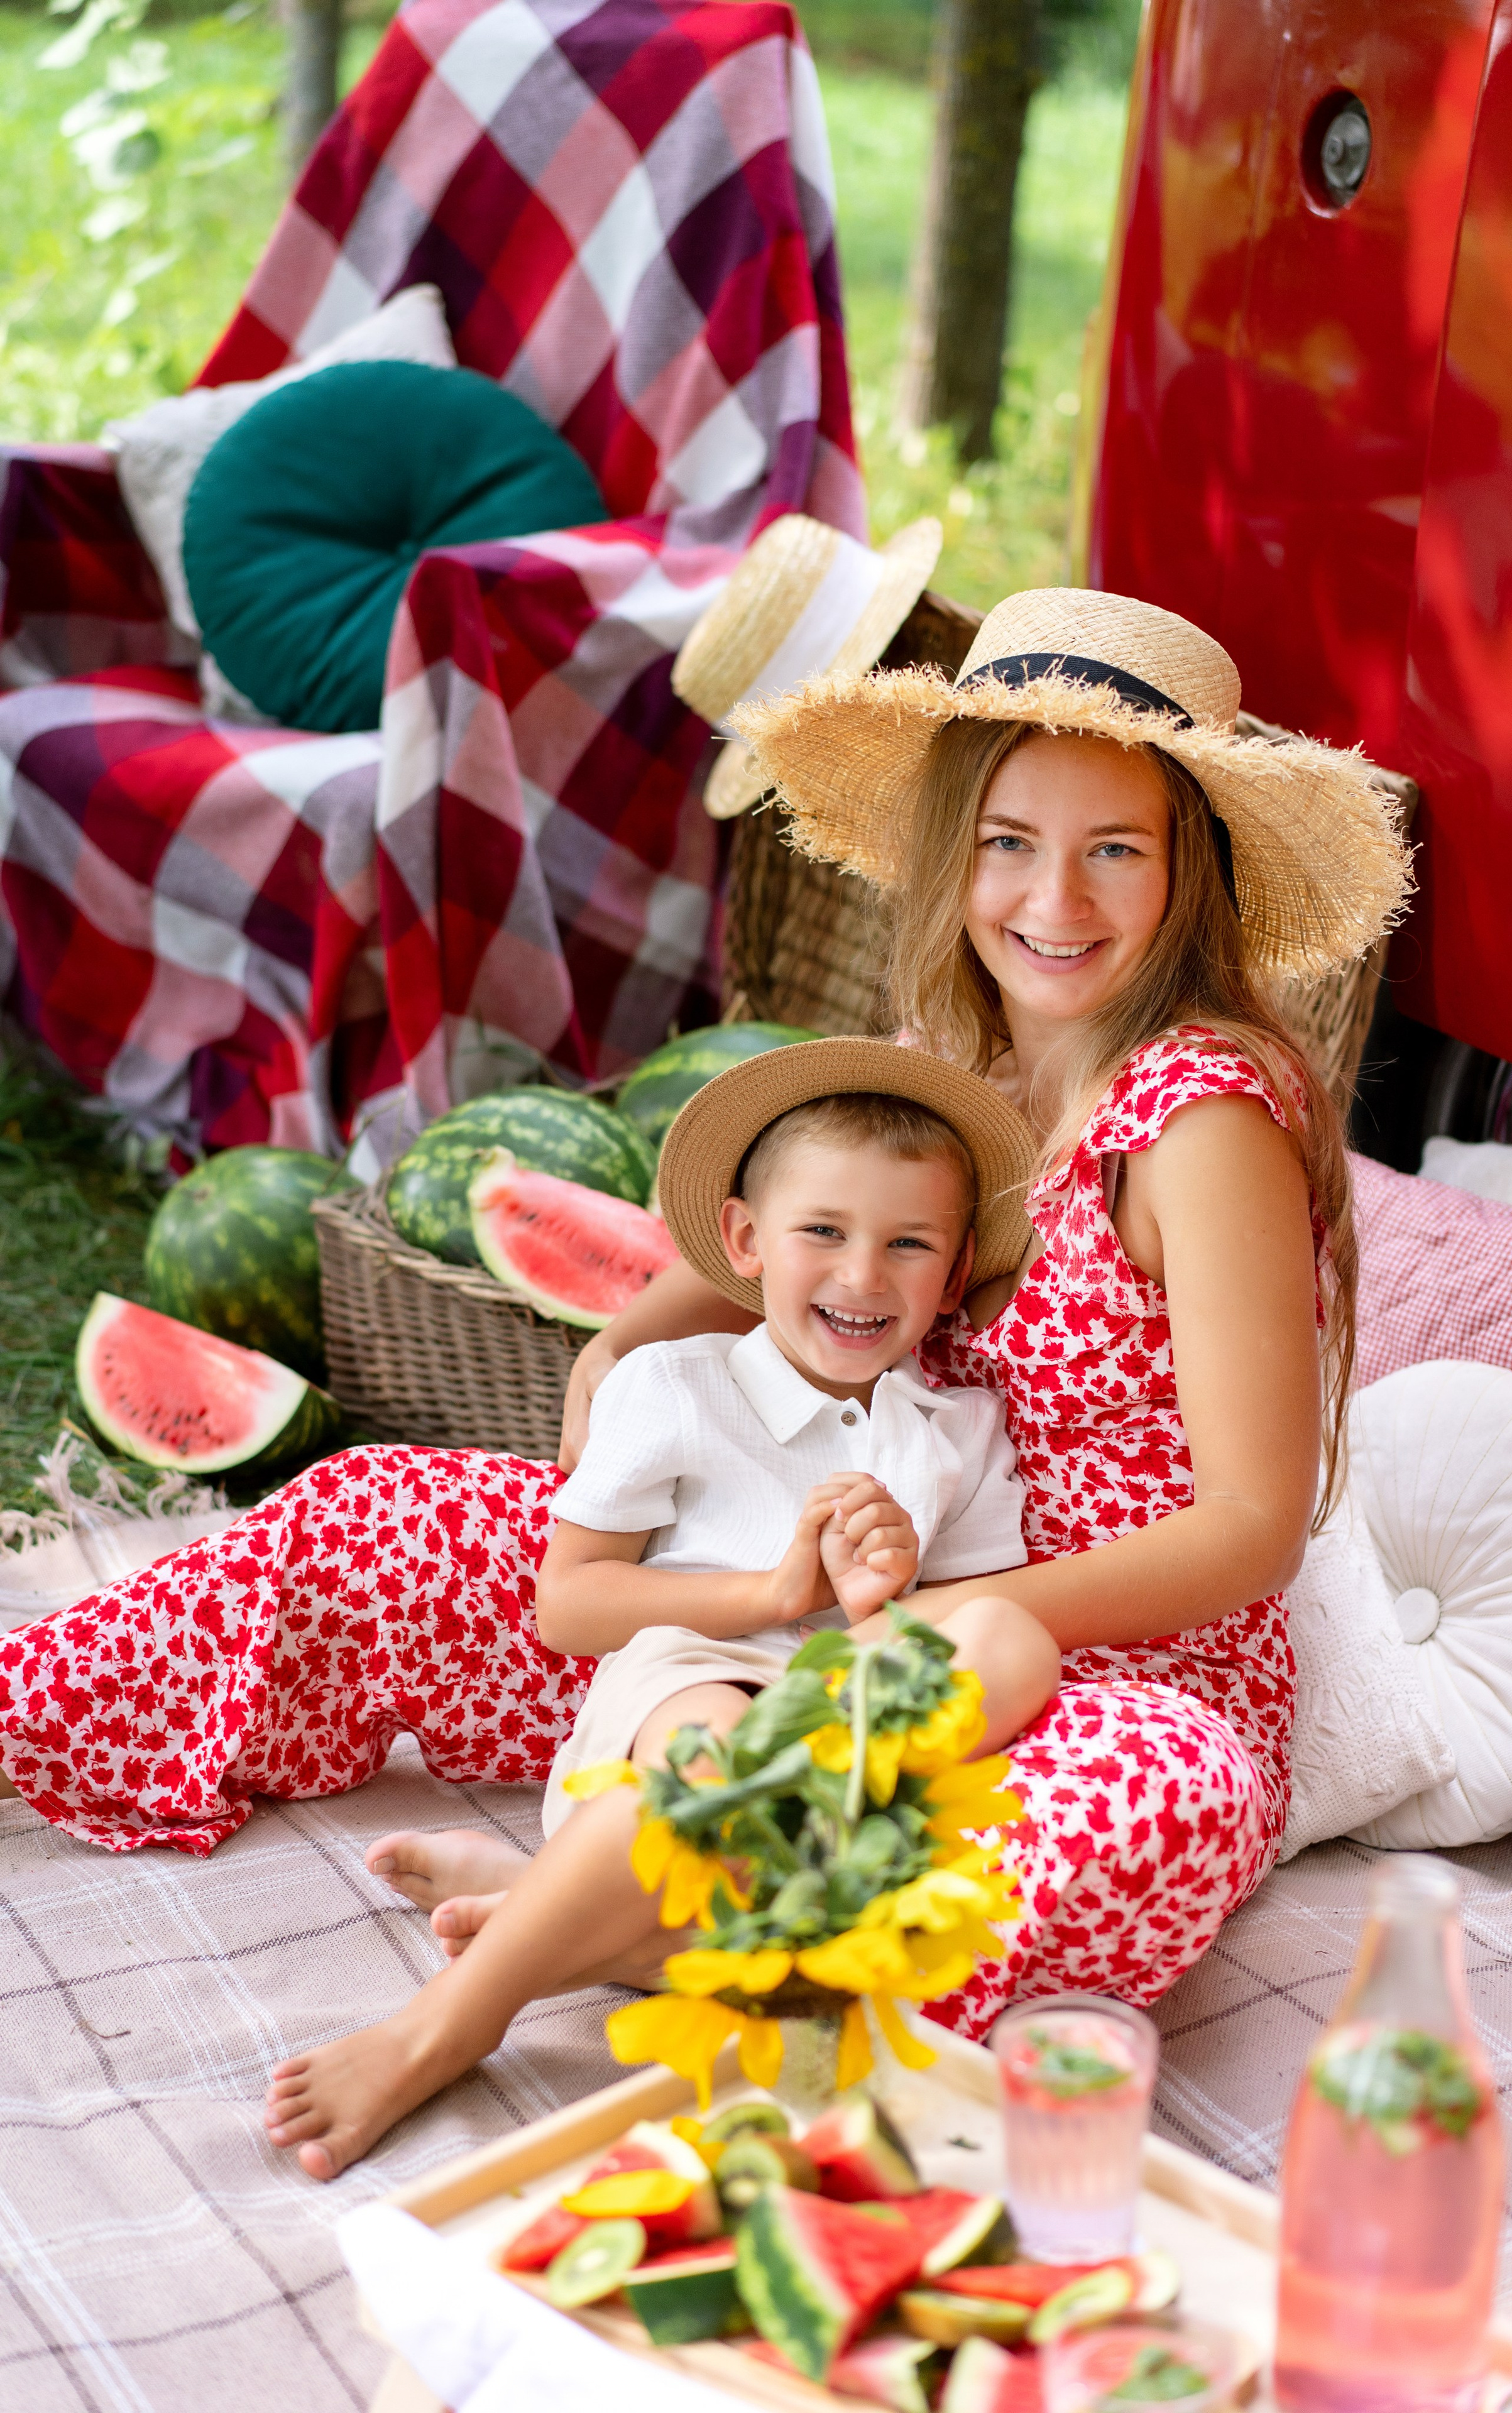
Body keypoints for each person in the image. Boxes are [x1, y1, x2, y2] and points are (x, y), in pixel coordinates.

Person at [0, 586, 1409, 2052]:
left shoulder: (1202, 1122)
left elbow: (1250, 1524)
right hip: (798, 1569)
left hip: (1094, 1661)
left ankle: (593, 1919)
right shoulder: (960, 1049)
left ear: (1189, 872)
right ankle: (31, 1711)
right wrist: (625, 1343)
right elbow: (773, 1237)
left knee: (1125, 1832)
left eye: (1112, 851)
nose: (1050, 902)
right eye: (1009, 843)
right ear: (955, 850)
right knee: (377, 1511)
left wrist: (942, 1622)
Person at [262, 1049, 1057, 2175]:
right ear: (743, 1242)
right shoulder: (677, 1386)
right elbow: (570, 1605)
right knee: (721, 1780)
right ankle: (449, 2023)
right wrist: (773, 1595)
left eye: (909, 1245)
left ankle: (549, 1900)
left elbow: (943, 1628)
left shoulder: (961, 1433)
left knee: (1013, 1639)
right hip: (692, 1668)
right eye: (821, 1232)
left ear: (956, 1266)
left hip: (849, 1717)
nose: (863, 1276)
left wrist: (883, 1599)